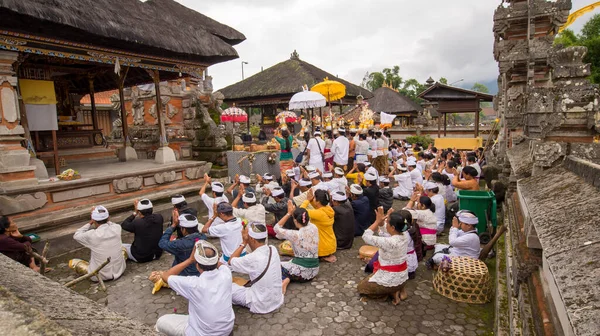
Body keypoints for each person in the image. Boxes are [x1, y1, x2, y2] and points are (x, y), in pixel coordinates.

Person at [156, 241, 234, 336]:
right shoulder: (226, 274)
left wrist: (189, 260)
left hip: (201, 333)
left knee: (161, 321)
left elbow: (166, 276)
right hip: (227, 330)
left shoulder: (193, 284)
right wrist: (209, 258)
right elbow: (221, 265)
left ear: (197, 265)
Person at [358, 208, 410, 305]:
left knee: (362, 288)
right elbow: (385, 232)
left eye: (387, 222)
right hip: (402, 277)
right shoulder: (405, 235)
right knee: (372, 277)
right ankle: (398, 289)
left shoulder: (390, 242)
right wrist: (382, 223)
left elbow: (365, 236)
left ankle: (390, 292)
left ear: (393, 227)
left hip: (392, 279)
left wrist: (377, 222)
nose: (386, 223)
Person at [229, 222, 284, 314]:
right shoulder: (272, 249)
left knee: (228, 288)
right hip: (276, 299)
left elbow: (231, 261)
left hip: (260, 303)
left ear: (252, 239)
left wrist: (243, 242)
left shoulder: (252, 258)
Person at [274, 203, 320, 294]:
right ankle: (287, 279)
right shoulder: (314, 227)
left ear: (295, 221)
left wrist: (288, 213)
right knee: (287, 260)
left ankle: (285, 279)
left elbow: (276, 228)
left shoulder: (295, 235)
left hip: (302, 273)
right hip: (314, 270)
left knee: (274, 265)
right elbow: (305, 219)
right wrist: (294, 212)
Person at [73, 206, 126, 281]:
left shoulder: (91, 235)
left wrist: (90, 222)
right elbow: (110, 223)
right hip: (120, 271)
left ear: (94, 220)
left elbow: (76, 235)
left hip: (99, 276)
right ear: (108, 218)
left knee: (73, 263)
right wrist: (102, 218)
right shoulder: (117, 228)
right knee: (123, 249)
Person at [300, 189, 337, 263]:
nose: (314, 200)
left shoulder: (319, 214)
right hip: (331, 245)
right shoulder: (329, 209)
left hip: (323, 249)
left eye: (315, 198)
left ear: (318, 201)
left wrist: (307, 200)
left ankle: (323, 256)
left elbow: (300, 212)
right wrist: (311, 201)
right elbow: (318, 208)